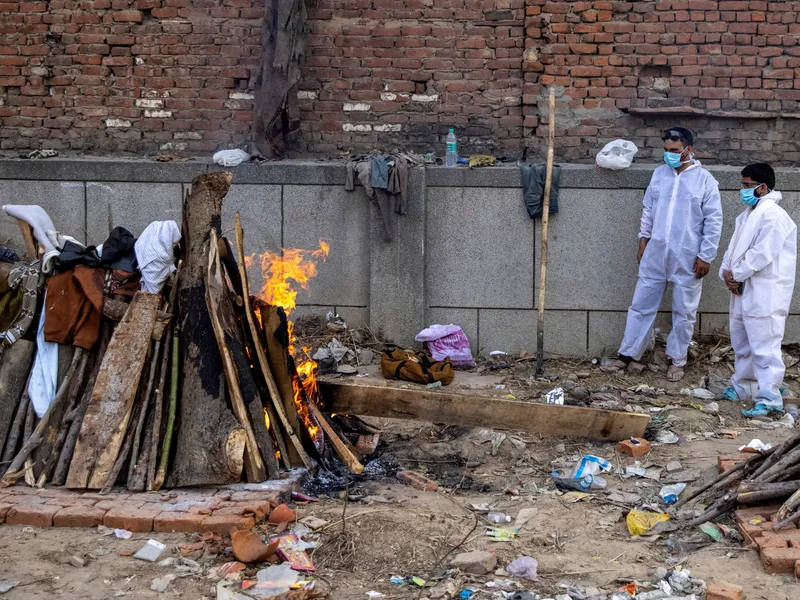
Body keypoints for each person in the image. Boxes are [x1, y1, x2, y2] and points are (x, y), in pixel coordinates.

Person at [603, 127, 723, 381]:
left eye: (675, 151)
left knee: (684, 310)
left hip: (688, 255)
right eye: (666, 150)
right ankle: (628, 354)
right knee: (641, 304)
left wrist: (706, 255)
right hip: (656, 251)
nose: (670, 155)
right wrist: (643, 240)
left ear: (688, 150)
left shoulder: (705, 180)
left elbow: (714, 221)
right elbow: (648, 209)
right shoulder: (659, 175)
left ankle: (677, 360)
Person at [719, 163, 797, 417]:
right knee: (742, 340)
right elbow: (733, 250)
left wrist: (737, 274)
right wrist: (727, 273)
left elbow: (762, 254)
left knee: (764, 344)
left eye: (747, 185)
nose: (742, 190)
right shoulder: (747, 215)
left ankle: (770, 397)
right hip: (743, 287)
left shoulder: (773, 216)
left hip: (765, 290)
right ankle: (745, 387)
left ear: (762, 188)